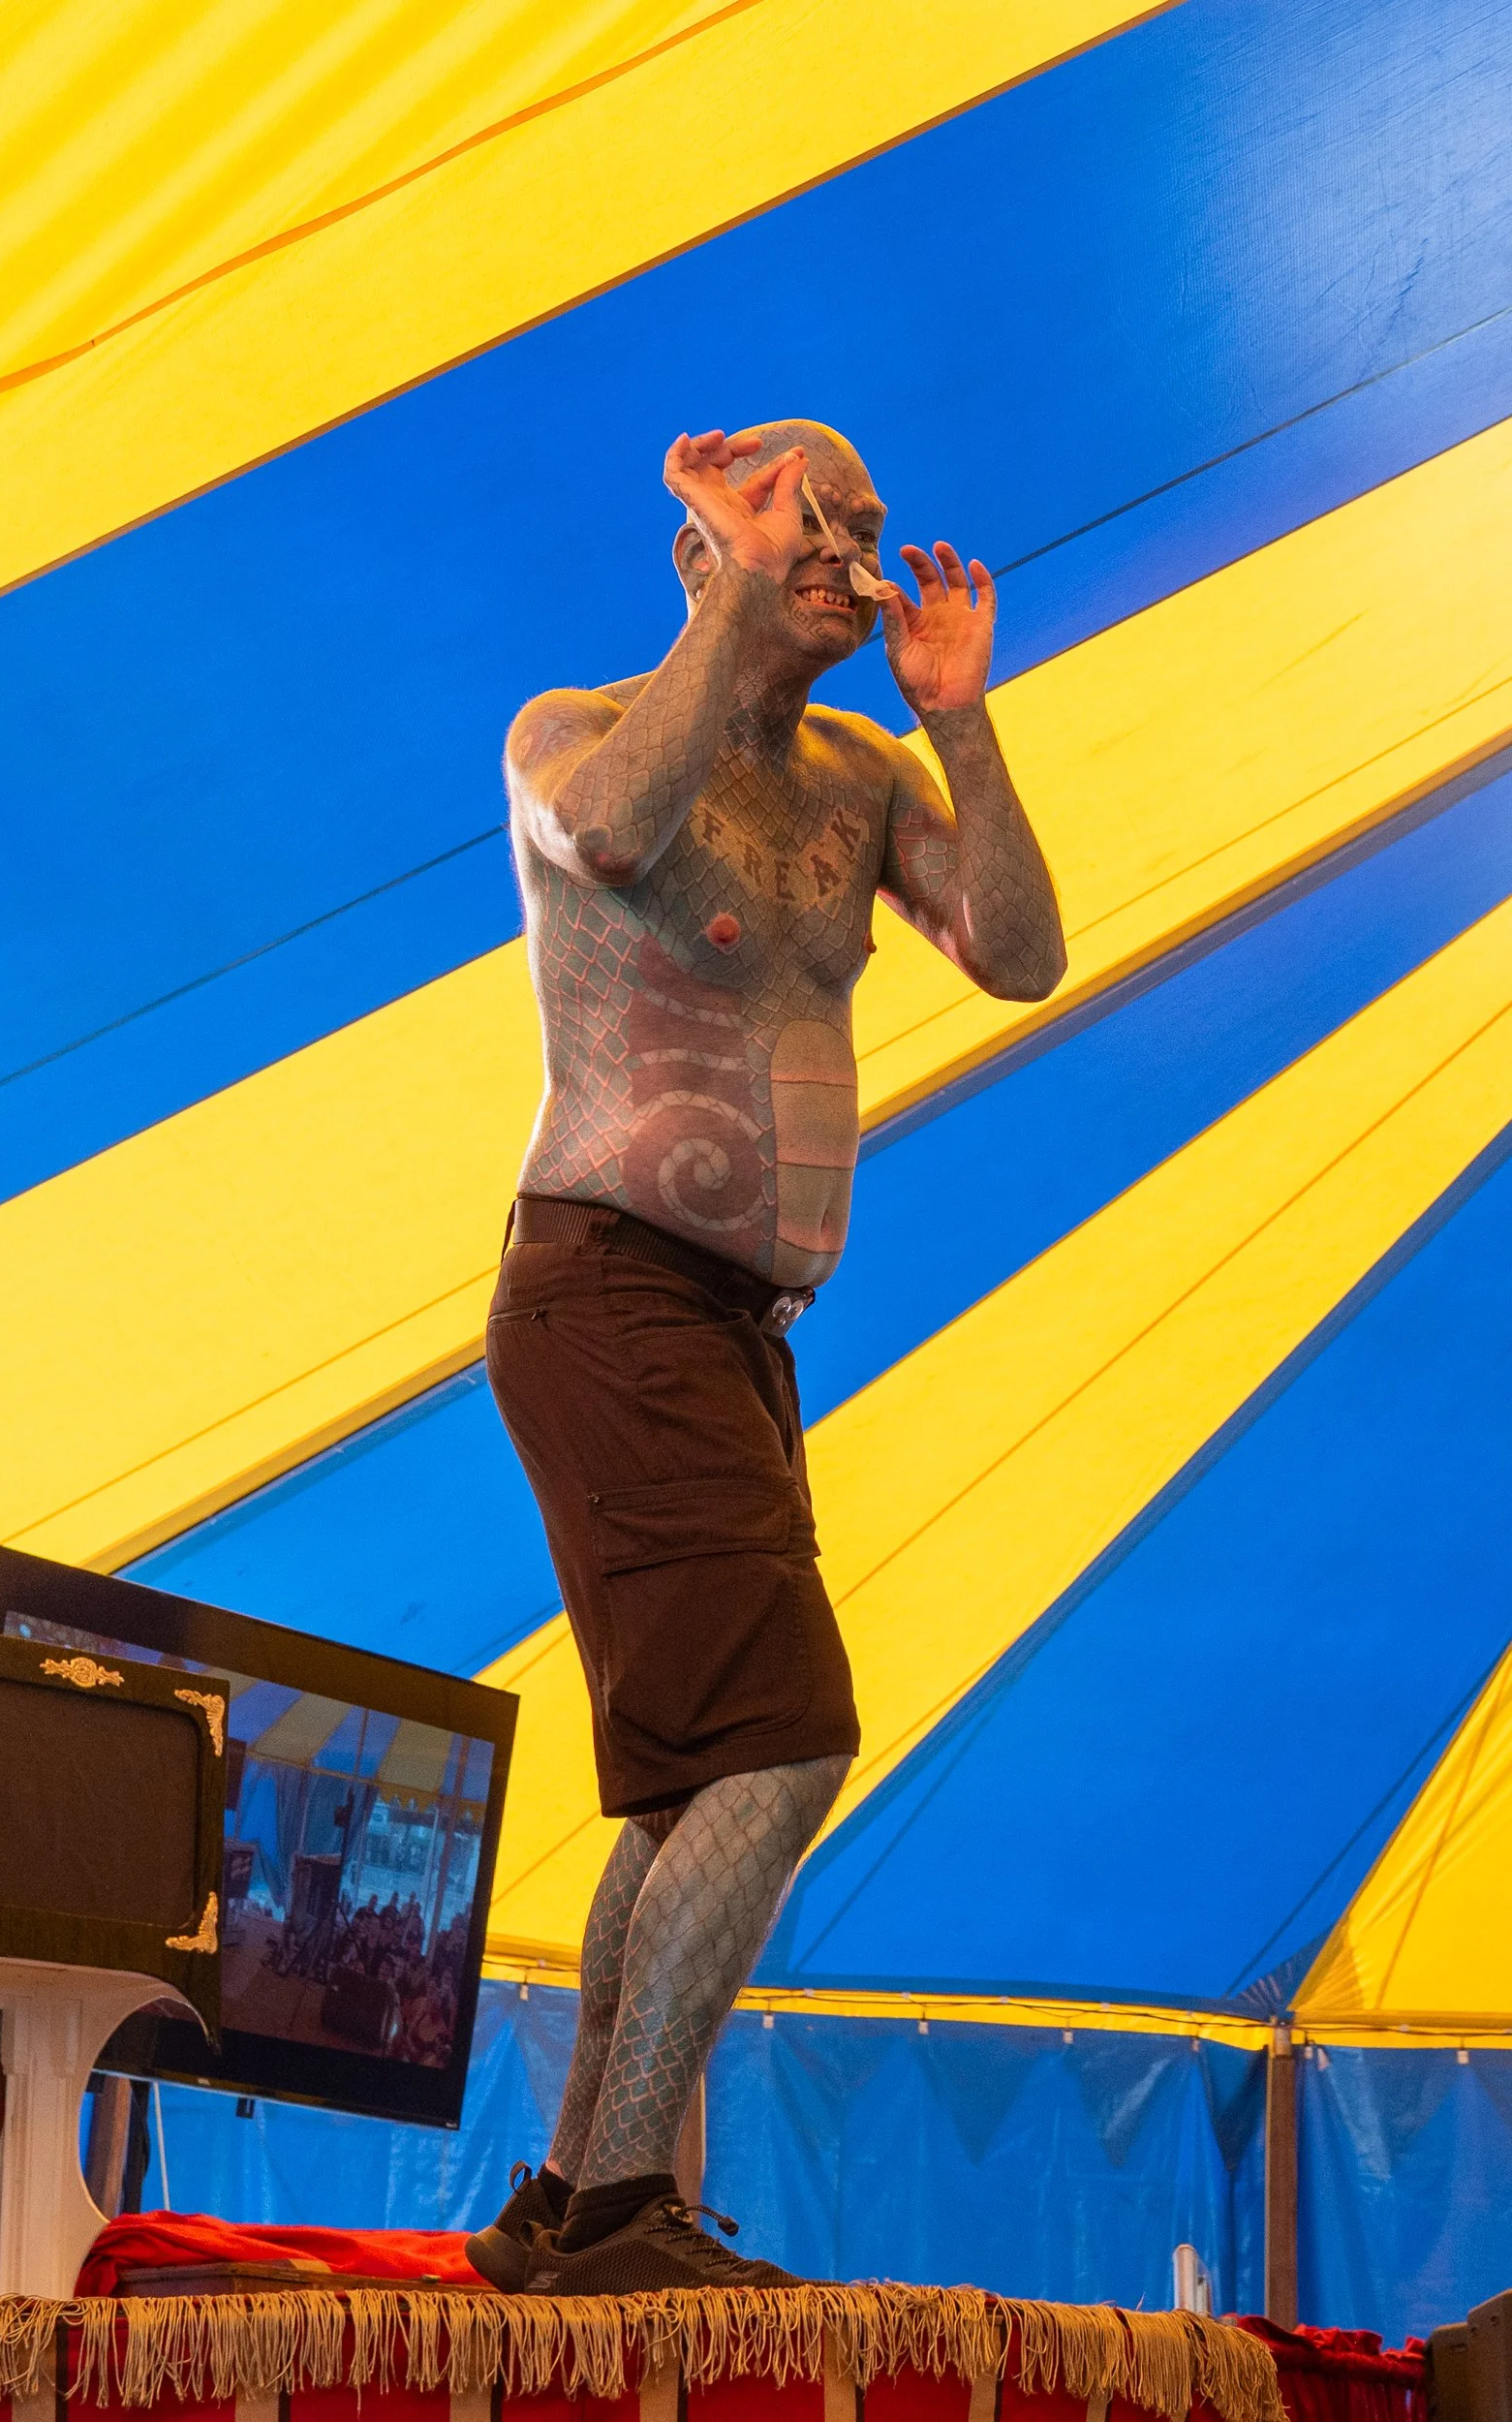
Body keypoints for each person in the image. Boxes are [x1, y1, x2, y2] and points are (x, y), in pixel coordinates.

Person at [466, 422, 1065, 2295]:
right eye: (809, 513)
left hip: (730, 1334)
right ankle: (630, 2204)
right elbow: (615, 836)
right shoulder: (572, 728)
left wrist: (961, 718)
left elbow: (1022, 954)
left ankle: (566, 2204)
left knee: (683, 1789)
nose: (849, 548)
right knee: (791, 1741)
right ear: (700, 540)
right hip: (606, 1287)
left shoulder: (861, 780)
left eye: (868, 527)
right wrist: (736, 584)